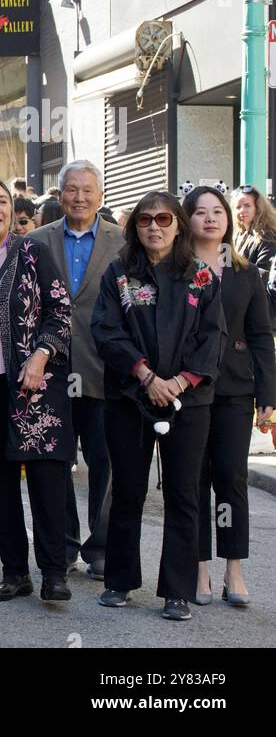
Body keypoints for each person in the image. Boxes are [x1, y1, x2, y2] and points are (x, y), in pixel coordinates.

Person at [91, 191, 223, 621]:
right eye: (145, 220)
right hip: (130, 396)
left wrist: (178, 383)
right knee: (128, 490)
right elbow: (106, 331)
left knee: (185, 496)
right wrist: (146, 376)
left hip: (190, 400)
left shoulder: (202, 277)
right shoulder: (118, 274)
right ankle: (119, 581)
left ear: (178, 225)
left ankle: (177, 592)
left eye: (164, 219)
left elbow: (211, 339)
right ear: (135, 228)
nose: (154, 226)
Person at [0, 177, 74, 603]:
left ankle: (55, 574)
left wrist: (41, 355)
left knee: (47, 484)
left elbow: (61, 311)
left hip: (36, 390)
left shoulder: (33, 252)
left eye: (2, 201)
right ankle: (15, 572)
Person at [30, 160, 123, 581]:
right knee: (56, 460)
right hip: (50, 371)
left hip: (106, 371)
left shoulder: (123, 244)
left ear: (100, 195)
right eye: (72, 189)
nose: (80, 197)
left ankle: (101, 547)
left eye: (88, 190)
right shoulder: (34, 242)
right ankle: (62, 543)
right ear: (60, 194)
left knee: (106, 462)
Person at [185, 185, 273, 607]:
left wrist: (268, 396)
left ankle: (233, 567)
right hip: (187, 389)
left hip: (236, 390)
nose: (210, 218)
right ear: (188, 220)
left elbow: (260, 336)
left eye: (217, 211)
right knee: (193, 479)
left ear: (228, 219)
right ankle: (198, 566)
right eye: (200, 212)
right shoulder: (174, 269)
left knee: (231, 477)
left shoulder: (245, 273)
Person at [231, 185, 276, 289]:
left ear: (258, 207)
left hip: (260, 300)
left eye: (247, 205)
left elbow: (264, 273)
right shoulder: (238, 234)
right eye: (238, 207)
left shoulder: (268, 236)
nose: (242, 210)